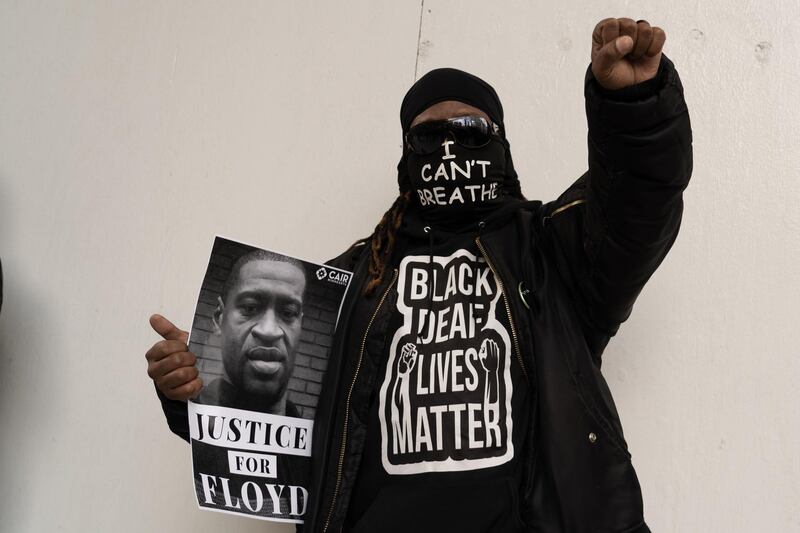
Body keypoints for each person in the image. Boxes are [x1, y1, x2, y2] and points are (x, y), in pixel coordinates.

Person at [146, 18, 692, 532]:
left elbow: (639, 199)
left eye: (469, 129)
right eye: (429, 136)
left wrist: (634, 103)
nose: (450, 146)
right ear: (406, 160)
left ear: (501, 144)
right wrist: (188, 393)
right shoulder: (346, 283)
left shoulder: (553, 248)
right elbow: (276, 425)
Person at [149, 249, 307, 417]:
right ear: (219, 318)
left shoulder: (313, 427)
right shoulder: (201, 401)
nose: (269, 331)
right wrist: (182, 392)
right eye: (249, 308)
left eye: (289, 313)